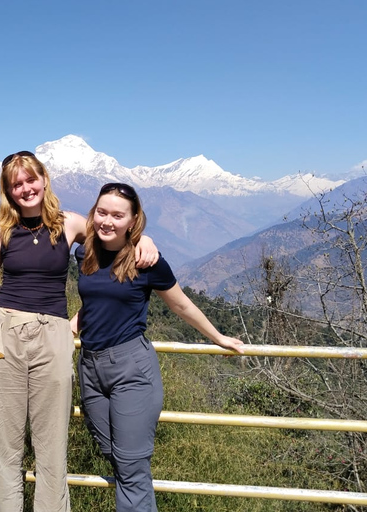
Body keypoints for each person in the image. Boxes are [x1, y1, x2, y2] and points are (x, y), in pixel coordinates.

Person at [0, 152, 159, 512]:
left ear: (44, 179)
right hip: (5, 333)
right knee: (3, 442)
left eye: (31, 179)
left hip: (54, 334)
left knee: (51, 443)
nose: (26, 188)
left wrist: (144, 239)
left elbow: (113, 234)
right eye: (17, 183)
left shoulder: (71, 224)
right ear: (8, 190)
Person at [69, 182, 245, 512]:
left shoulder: (146, 261)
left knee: (132, 466)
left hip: (131, 366)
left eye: (118, 215)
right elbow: (95, 301)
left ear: (133, 220)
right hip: (90, 365)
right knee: (112, 452)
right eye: (102, 213)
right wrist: (68, 328)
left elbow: (181, 306)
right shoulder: (85, 253)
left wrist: (218, 337)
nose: (108, 221)